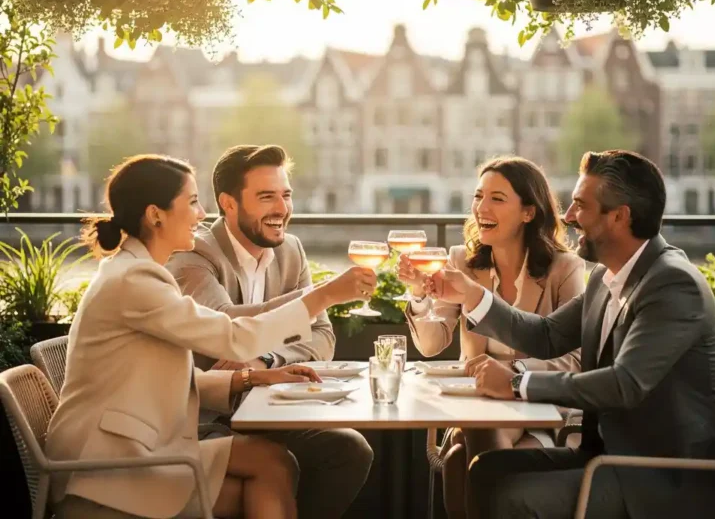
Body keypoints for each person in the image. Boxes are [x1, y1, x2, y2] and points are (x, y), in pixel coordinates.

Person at [46, 154, 377, 519]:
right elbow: (233, 338)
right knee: (271, 471)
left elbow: (165, 375)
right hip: (107, 465)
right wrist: (324, 295)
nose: (202, 214)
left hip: (136, 445)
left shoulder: (134, 271)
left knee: (274, 463)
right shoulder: (134, 280)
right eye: (192, 202)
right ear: (156, 215)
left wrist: (253, 376)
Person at [427, 150, 715, 519]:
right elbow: (546, 335)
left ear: (619, 216)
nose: (569, 217)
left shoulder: (672, 284)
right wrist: (472, 295)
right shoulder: (608, 276)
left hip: (660, 477)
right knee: (485, 470)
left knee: (511, 496)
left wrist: (517, 384)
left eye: (581, 206)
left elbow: (624, 384)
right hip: (609, 457)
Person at [166, 145, 373, 518]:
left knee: (349, 449)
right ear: (228, 204)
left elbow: (322, 336)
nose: (282, 208)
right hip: (208, 418)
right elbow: (225, 326)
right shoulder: (194, 254)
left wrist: (265, 358)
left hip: (275, 410)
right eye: (266, 197)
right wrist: (320, 296)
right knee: (279, 463)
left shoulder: (291, 250)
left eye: (286, 195)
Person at [397, 156, 584, 518]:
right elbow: (431, 344)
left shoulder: (564, 268)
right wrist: (419, 295)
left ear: (528, 212)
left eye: (497, 199)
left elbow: (574, 359)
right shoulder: (461, 262)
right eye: (478, 196)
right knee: (467, 447)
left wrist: (512, 375)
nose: (482, 208)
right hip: (475, 406)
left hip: (538, 409)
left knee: (460, 456)